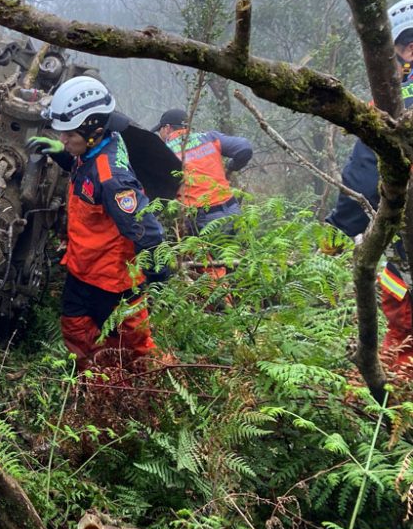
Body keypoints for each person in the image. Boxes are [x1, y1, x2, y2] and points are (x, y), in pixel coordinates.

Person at [28, 76, 168, 364]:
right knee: (76, 330)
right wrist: (60, 154)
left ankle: (144, 389)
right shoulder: (96, 145)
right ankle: (91, 382)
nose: (63, 140)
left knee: (134, 349)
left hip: (113, 282)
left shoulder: (113, 179)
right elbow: (83, 169)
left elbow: (147, 231)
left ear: (94, 129)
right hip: (82, 269)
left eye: (68, 136)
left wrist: (155, 279)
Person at [326, 0, 413, 367]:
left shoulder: (396, 101)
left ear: (407, 48)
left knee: (402, 340)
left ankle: (389, 408)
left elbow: (364, 174)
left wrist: (343, 227)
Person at [152, 109, 253, 234]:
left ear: (167, 128)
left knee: (211, 253)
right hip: (233, 208)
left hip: (203, 218)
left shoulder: (163, 152)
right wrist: (231, 167)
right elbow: (244, 148)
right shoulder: (209, 138)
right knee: (237, 253)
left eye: (160, 130)